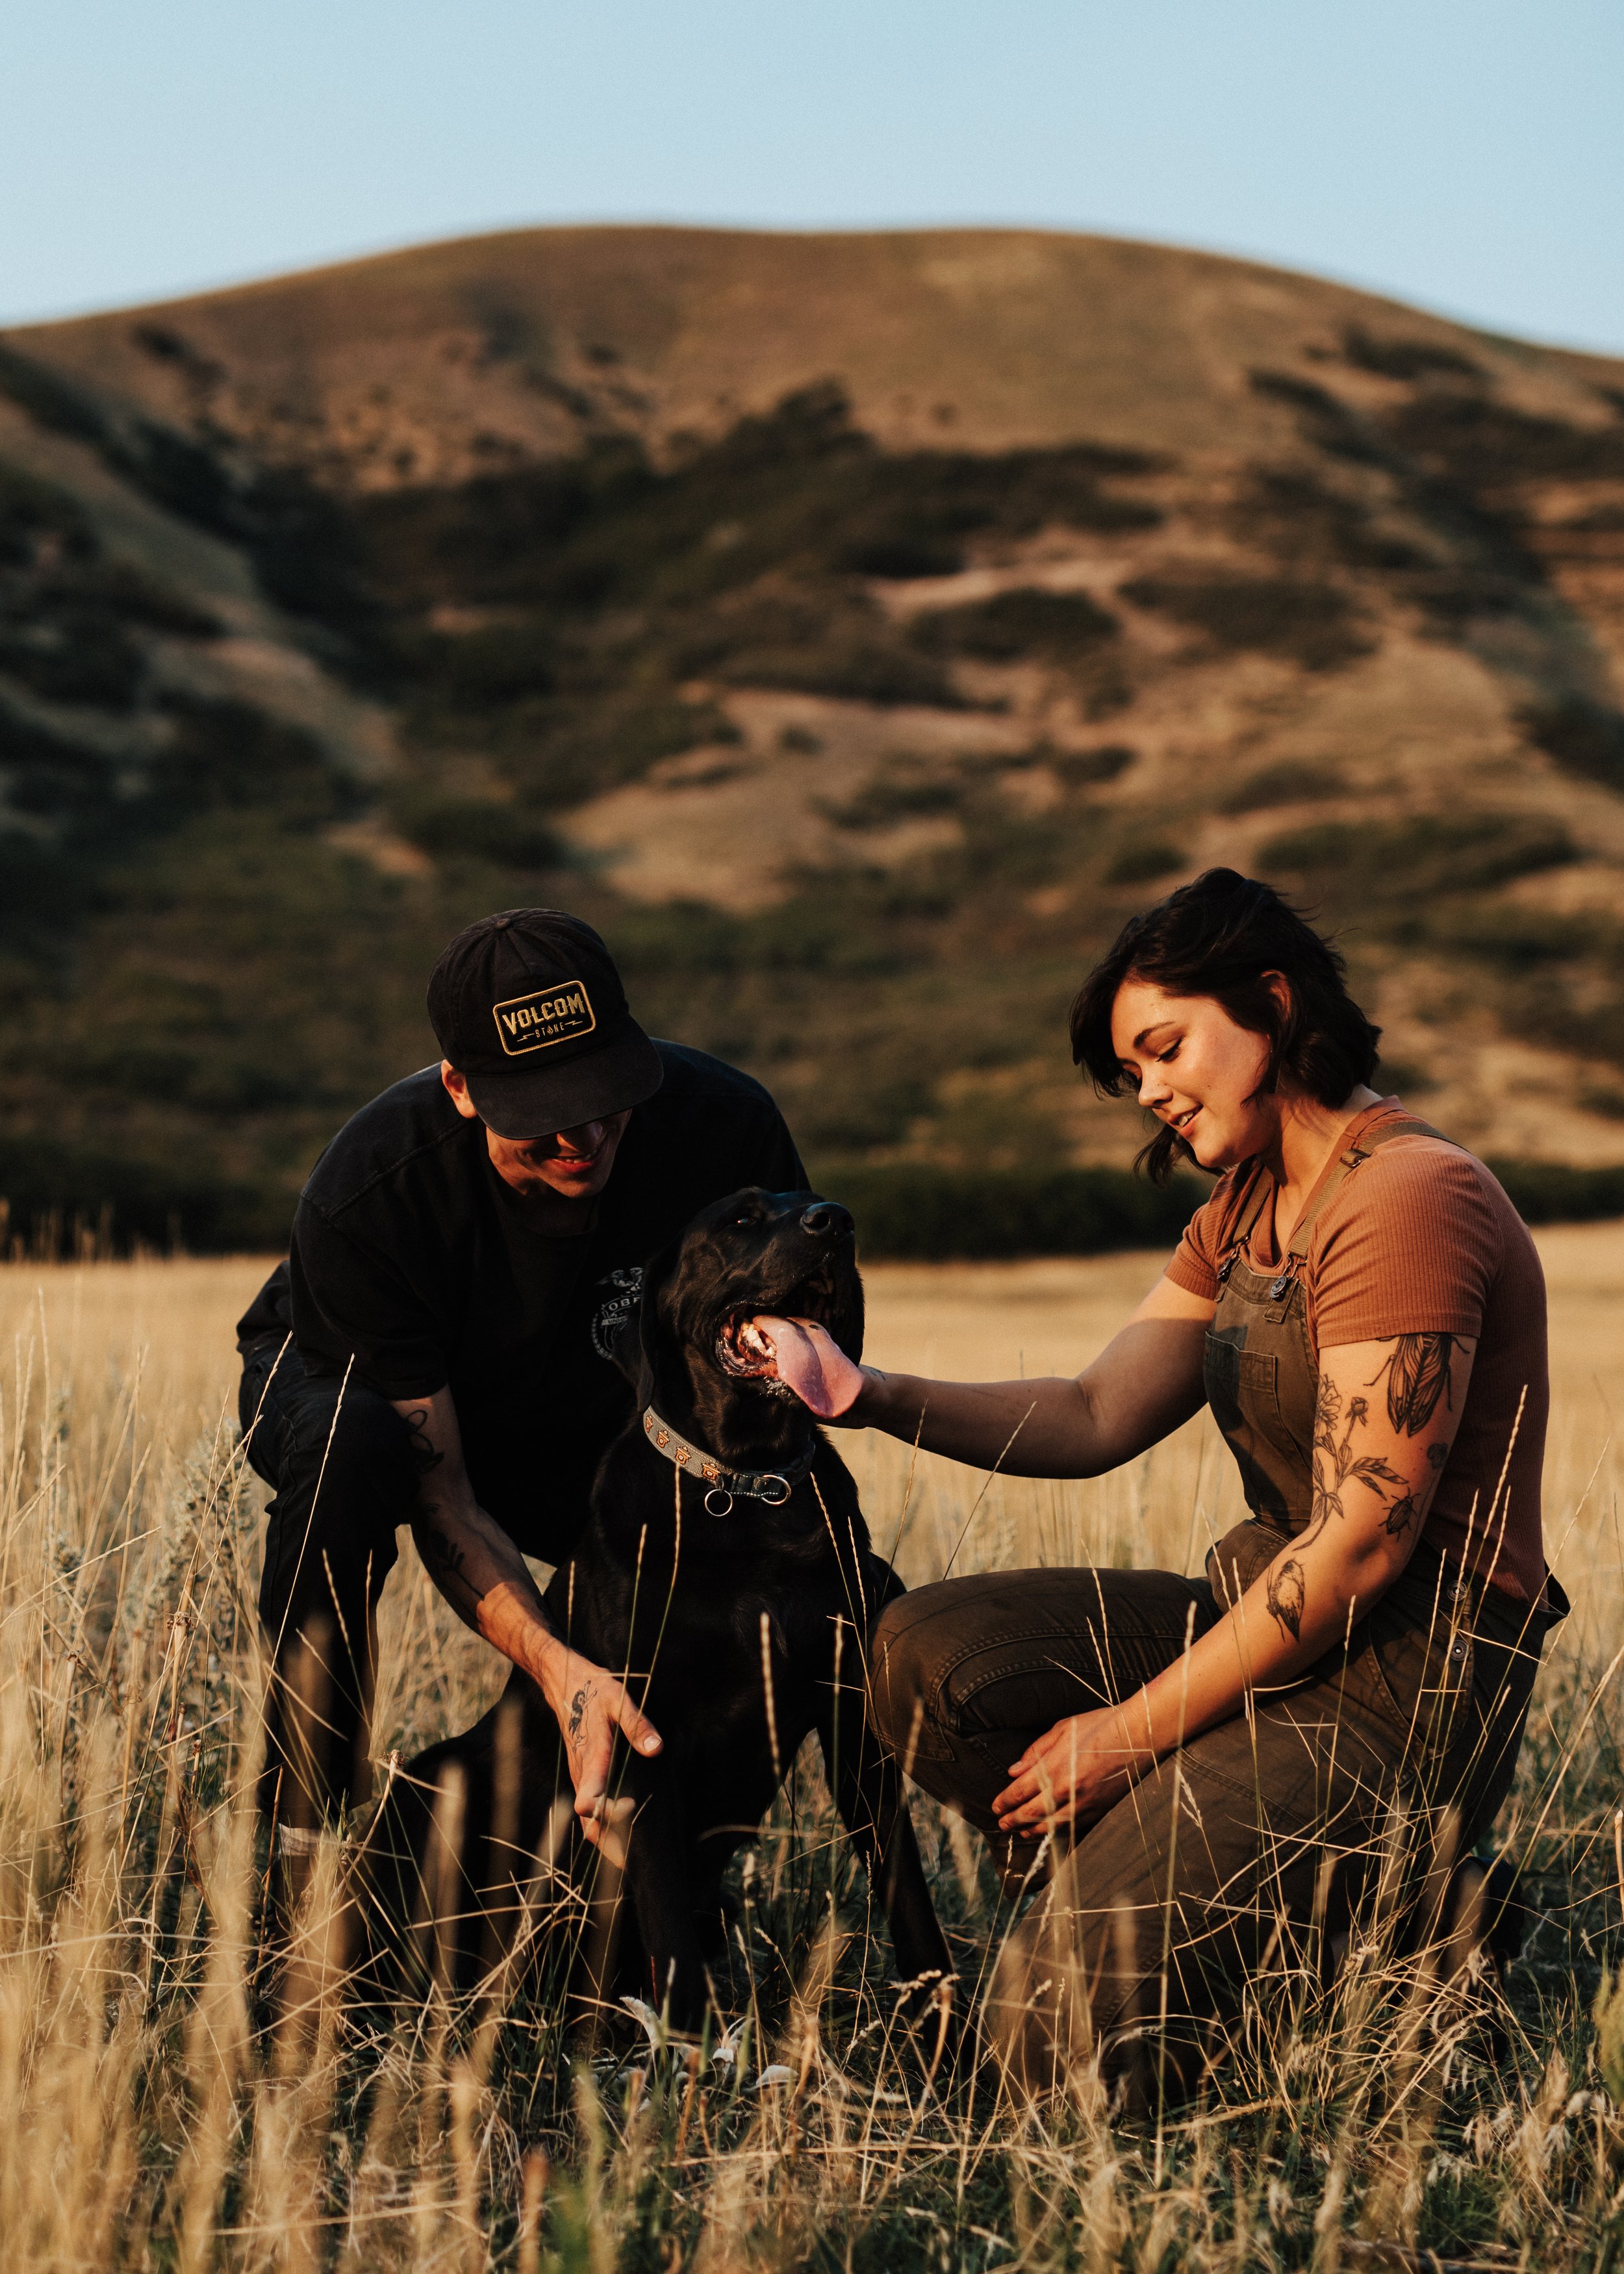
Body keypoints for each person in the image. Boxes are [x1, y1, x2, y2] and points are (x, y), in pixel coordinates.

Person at [751, 868, 1567, 2105]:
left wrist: (1126, 1737)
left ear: (1274, 1002)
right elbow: (1094, 1413)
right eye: (1133, 1072)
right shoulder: (1245, 1206)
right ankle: (1289, 1909)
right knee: (921, 1657)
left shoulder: (1409, 1199)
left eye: (1166, 1047)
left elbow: (1357, 1552)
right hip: (1264, 1625)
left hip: (1405, 1681)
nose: (1152, 1092)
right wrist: (864, 1394)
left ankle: (1384, 1929)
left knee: (1039, 2045)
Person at [236, 909, 805, 1883]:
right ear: (460, 1087)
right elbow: (445, 1496)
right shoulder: (375, 1193)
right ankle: (297, 1838)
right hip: (373, 1389)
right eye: (546, 1109)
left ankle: (644, 1879)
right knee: (354, 1448)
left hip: (585, 1382)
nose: (586, 1134)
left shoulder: (724, 1129)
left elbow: (764, 1408)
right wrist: (558, 1671)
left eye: (606, 1093)